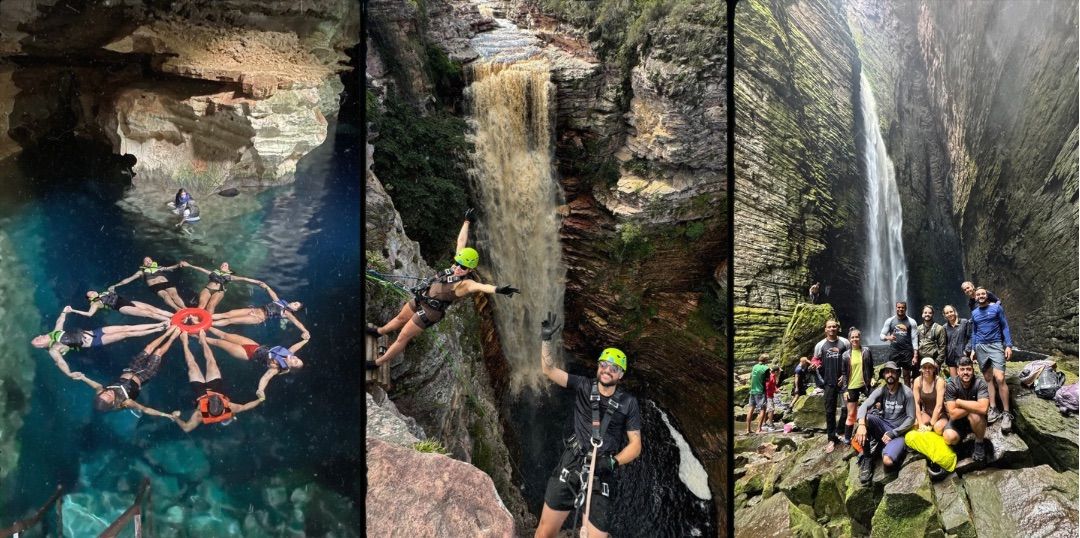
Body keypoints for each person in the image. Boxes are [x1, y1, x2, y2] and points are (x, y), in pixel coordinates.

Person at [366, 209, 518, 368]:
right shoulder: (456, 265)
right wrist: (466, 222)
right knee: (400, 319)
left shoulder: (465, 284)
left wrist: (498, 289)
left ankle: (377, 363)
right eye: (458, 263)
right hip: (422, 297)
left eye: (464, 267)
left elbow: (481, 286)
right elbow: (461, 241)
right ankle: (379, 332)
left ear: (470, 270)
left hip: (430, 312)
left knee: (402, 337)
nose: (459, 268)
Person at [535, 313, 641, 538]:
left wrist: (612, 462)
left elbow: (635, 445)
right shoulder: (583, 385)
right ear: (598, 367)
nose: (607, 370)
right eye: (604, 364)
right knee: (544, 532)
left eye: (614, 368)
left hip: (602, 470)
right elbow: (549, 371)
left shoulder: (628, 403)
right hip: (572, 461)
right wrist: (546, 341)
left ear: (620, 375)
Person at [66, 326, 182, 416]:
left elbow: (96, 385)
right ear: (112, 403)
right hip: (145, 375)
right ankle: (173, 336)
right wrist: (167, 415)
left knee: (148, 348)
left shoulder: (101, 392)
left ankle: (168, 332)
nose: (108, 392)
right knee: (158, 352)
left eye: (105, 393)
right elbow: (145, 409)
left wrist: (83, 377)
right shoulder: (125, 402)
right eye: (109, 396)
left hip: (131, 368)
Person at [31, 308, 168, 378]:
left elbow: (59, 322)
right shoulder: (53, 349)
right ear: (41, 345)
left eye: (37, 337)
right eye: (37, 340)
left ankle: (159, 324)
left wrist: (64, 312)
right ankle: (158, 328)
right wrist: (68, 373)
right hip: (95, 341)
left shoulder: (53, 333)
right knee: (127, 333)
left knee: (126, 327)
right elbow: (60, 362)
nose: (39, 336)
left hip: (94, 332)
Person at [172, 331, 264, 432]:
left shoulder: (201, 415)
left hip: (200, 391)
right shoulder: (230, 409)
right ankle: (203, 341)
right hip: (215, 387)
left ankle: (184, 342)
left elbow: (186, 428)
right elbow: (245, 407)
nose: (212, 397)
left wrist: (175, 417)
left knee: (192, 364)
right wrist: (260, 399)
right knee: (211, 361)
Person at [854, 361, 915, 485]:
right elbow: (864, 405)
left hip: (898, 432)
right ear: (884, 375)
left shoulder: (907, 393)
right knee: (866, 418)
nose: (890, 374)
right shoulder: (882, 390)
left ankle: (890, 450)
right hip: (883, 426)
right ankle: (867, 458)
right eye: (887, 372)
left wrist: (894, 433)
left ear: (898, 374)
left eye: (893, 372)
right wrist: (861, 425)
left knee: (887, 462)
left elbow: (911, 419)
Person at [203, 326, 308, 396]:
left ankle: (196, 335)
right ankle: (202, 324)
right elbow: (295, 347)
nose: (295, 358)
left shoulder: (277, 368)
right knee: (224, 335)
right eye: (297, 359)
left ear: (290, 367)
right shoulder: (289, 353)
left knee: (218, 342)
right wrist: (305, 340)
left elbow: (265, 378)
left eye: (295, 362)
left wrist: (260, 389)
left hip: (247, 354)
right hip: (254, 345)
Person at [969, 287, 1013, 430]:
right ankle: (993, 408)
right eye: (978, 294)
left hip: (995, 345)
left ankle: (1006, 413)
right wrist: (973, 349)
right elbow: (974, 332)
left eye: (983, 294)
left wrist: (1008, 345)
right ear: (975, 297)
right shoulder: (974, 313)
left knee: (999, 378)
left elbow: (1004, 326)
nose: (981, 296)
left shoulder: (996, 309)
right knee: (988, 378)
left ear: (987, 295)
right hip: (981, 347)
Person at [210, 283, 310, 338]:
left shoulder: (287, 314)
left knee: (230, 320)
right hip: (254, 310)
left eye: (295, 304)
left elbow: (297, 323)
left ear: (295, 309)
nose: (293, 303)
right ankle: (208, 318)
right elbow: (273, 294)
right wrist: (266, 287)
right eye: (295, 302)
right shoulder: (280, 302)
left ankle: (209, 324)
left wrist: (305, 331)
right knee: (228, 314)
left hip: (257, 318)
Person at [943, 356, 990, 463]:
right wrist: (973, 406)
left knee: (976, 415)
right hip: (958, 420)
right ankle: (960, 443)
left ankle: (979, 443)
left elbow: (983, 409)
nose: (966, 372)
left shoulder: (980, 383)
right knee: (948, 437)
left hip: (976, 420)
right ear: (958, 371)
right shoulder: (952, 385)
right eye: (962, 369)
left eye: (968, 369)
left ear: (973, 371)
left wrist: (960, 403)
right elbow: (953, 414)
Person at [813, 319, 850, 453]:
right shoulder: (820, 345)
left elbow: (851, 359)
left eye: (834, 327)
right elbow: (816, 360)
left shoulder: (845, 343)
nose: (832, 329)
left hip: (844, 382)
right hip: (828, 382)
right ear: (825, 329)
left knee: (846, 409)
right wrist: (817, 375)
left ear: (837, 328)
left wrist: (845, 376)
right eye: (829, 327)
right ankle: (831, 438)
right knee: (830, 411)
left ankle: (839, 431)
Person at [180, 261, 265, 313]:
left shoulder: (230, 277)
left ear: (228, 270)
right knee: (201, 305)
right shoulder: (213, 272)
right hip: (208, 289)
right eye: (222, 265)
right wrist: (189, 265)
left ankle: (207, 323)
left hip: (219, 291)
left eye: (226, 265)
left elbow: (244, 279)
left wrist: (257, 282)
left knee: (211, 306)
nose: (223, 265)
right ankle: (195, 319)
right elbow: (200, 269)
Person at [110, 257, 186, 311]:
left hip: (166, 283)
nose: (148, 262)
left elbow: (171, 268)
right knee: (165, 295)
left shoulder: (159, 268)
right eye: (146, 261)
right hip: (155, 286)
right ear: (144, 264)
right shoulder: (142, 272)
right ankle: (177, 309)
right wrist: (116, 285)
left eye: (149, 260)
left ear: (152, 261)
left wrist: (179, 264)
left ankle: (185, 308)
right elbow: (129, 279)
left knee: (174, 295)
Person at [840, 328, 874, 444]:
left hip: (865, 384)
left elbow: (871, 367)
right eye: (852, 337)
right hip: (851, 386)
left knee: (873, 409)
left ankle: (870, 432)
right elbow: (844, 373)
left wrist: (872, 377)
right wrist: (845, 389)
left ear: (860, 338)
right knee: (851, 414)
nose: (855, 339)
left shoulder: (866, 351)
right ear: (849, 339)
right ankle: (847, 438)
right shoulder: (845, 355)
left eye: (857, 337)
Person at [879, 301, 920, 387]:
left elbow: (914, 338)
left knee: (906, 375)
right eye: (899, 307)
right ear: (896, 308)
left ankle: (908, 395)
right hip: (894, 351)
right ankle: (894, 394)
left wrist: (915, 355)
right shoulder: (890, 321)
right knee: (893, 374)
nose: (900, 309)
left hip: (907, 352)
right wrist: (888, 337)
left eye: (902, 307)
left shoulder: (911, 322)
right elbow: (881, 335)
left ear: (905, 309)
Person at [70, 290, 174, 322]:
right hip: (121, 307)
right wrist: (73, 310)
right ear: (90, 298)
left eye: (92, 291)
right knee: (149, 314)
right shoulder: (95, 303)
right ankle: (170, 321)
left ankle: (174, 315)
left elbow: (113, 293)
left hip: (129, 301)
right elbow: (89, 314)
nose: (93, 293)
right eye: (90, 295)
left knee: (154, 309)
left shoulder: (104, 292)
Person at [912, 357, 947, 434]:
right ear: (921, 369)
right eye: (924, 367)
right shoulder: (917, 381)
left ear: (934, 369)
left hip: (940, 414)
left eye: (930, 367)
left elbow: (939, 406)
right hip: (927, 413)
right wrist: (921, 424)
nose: (927, 370)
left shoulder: (939, 381)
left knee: (938, 428)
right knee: (916, 425)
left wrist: (931, 425)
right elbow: (916, 404)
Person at [942, 304, 971, 379]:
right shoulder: (944, 327)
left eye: (951, 311)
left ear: (955, 312)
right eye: (947, 313)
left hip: (963, 356)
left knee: (965, 379)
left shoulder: (964, 322)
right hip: (951, 358)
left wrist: (966, 351)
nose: (949, 314)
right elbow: (944, 343)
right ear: (944, 315)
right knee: (955, 382)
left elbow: (970, 337)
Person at [745, 354, 770, 434]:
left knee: (750, 409)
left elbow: (751, 377)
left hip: (752, 391)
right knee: (763, 409)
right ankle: (759, 429)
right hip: (760, 391)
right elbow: (767, 380)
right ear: (766, 360)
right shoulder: (766, 368)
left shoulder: (754, 366)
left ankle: (748, 429)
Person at [916, 305, 946, 370]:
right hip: (921, 361)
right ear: (922, 314)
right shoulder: (918, 329)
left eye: (930, 313)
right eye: (925, 312)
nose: (927, 314)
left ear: (933, 314)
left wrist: (938, 362)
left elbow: (942, 347)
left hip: (933, 360)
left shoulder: (939, 328)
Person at [764, 365, 783, 431]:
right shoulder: (771, 377)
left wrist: (776, 389)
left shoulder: (773, 376)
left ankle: (764, 424)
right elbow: (767, 387)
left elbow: (773, 385)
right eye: (779, 371)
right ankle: (770, 425)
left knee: (767, 409)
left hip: (769, 395)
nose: (779, 373)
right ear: (775, 371)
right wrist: (774, 391)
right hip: (768, 395)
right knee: (771, 410)